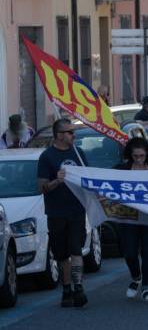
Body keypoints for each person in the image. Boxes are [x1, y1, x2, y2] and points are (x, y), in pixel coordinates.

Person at [36, 118, 88, 308]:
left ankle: (78, 287)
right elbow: (41, 187)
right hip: (56, 212)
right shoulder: (47, 157)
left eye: (73, 132)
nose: (74, 135)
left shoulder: (78, 153)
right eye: (70, 132)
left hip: (76, 210)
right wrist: (57, 181)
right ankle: (66, 288)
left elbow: (88, 179)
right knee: (61, 253)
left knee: (76, 249)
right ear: (59, 135)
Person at [113, 137, 148, 302]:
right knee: (129, 252)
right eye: (135, 156)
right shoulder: (121, 169)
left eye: (141, 156)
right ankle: (136, 277)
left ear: (147, 154)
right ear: (130, 155)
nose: (138, 159)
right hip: (128, 217)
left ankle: (146, 288)